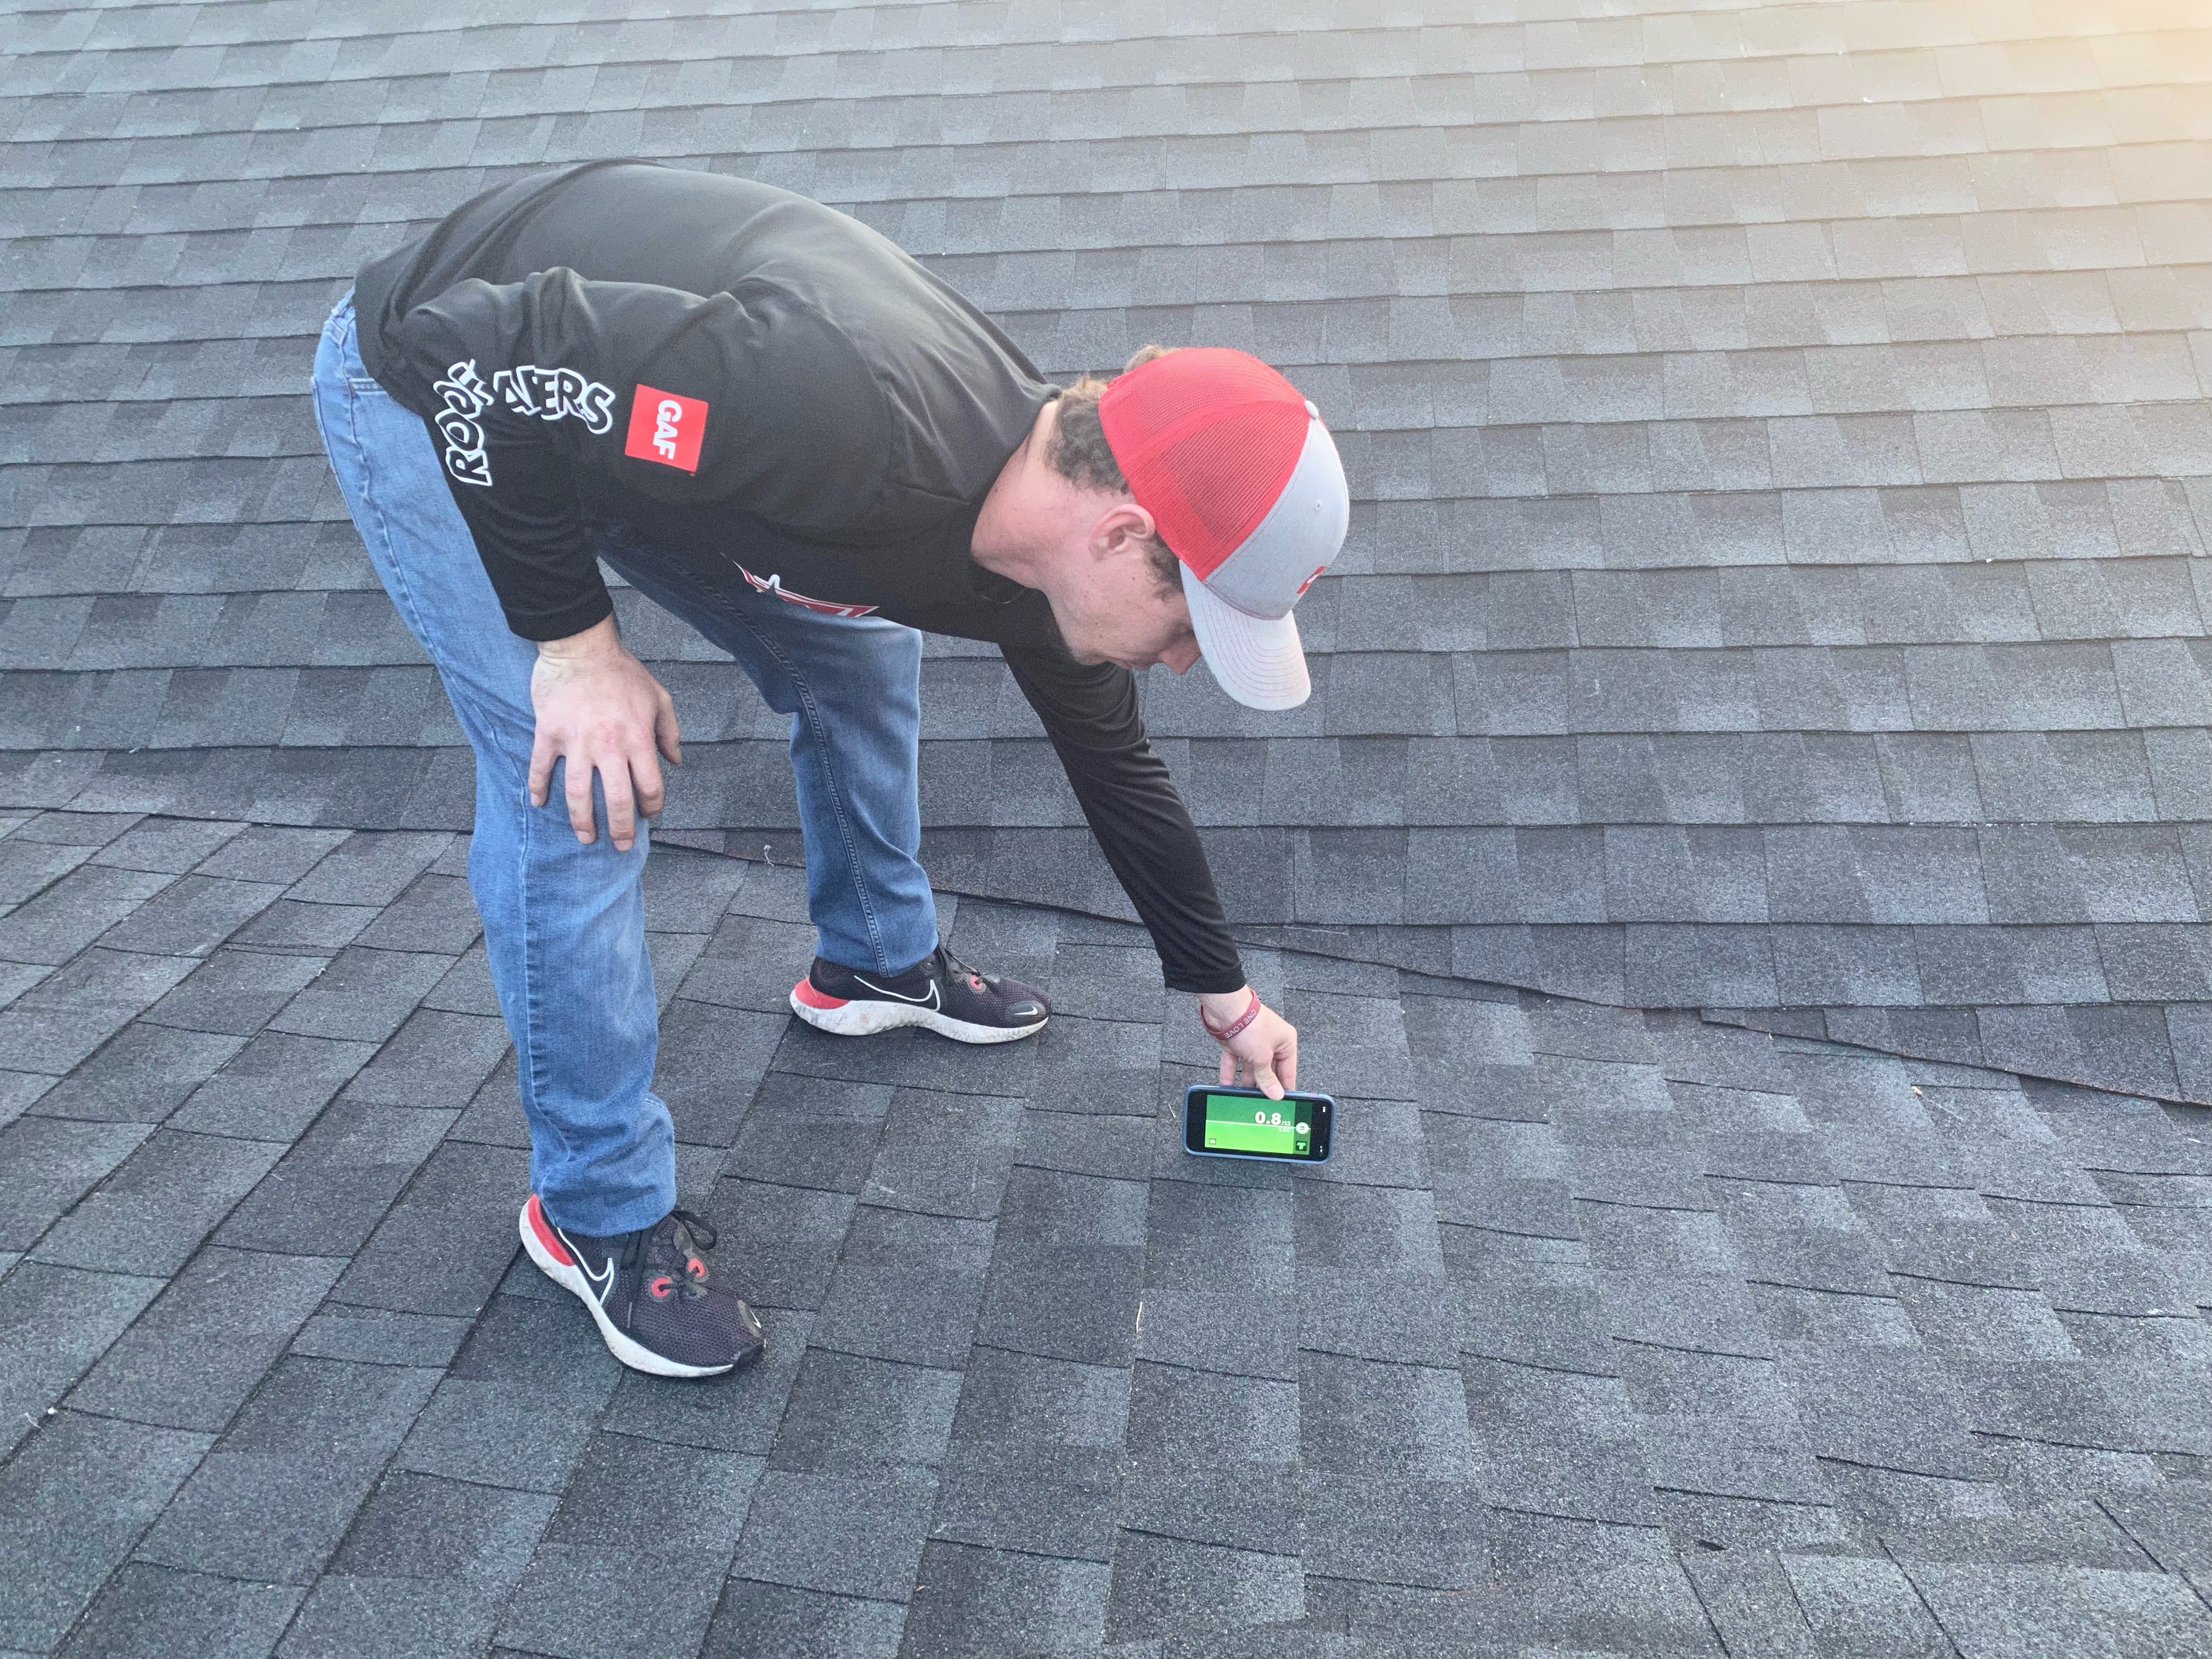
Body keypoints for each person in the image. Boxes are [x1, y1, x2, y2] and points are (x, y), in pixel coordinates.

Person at [310, 160, 1349, 1379]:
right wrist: (575, 646)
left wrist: (1225, 997)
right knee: (580, 781)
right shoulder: (831, 416)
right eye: (1190, 629)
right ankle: (593, 1212)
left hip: (600, 425)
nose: (1178, 664)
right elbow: (477, 360)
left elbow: (1115, 764)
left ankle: (873, 960)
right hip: (433, 392)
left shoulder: (1029, 537)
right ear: (1122, 536)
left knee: (856, 654)